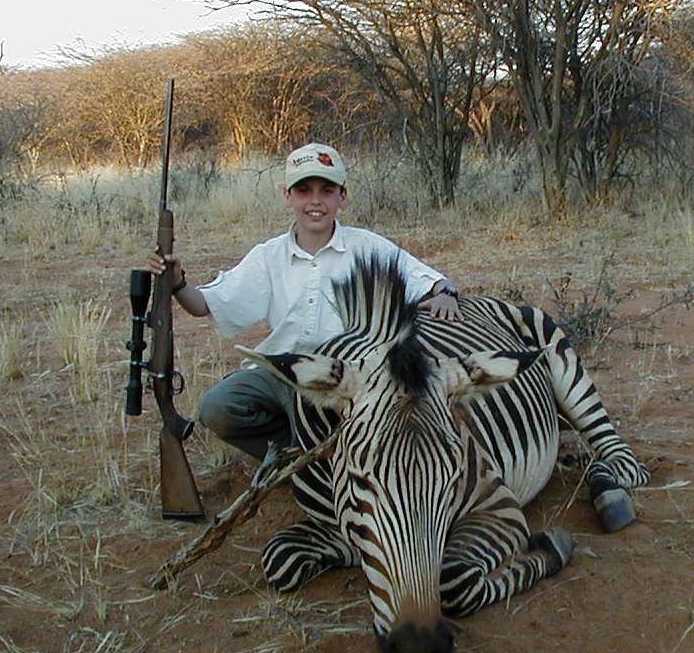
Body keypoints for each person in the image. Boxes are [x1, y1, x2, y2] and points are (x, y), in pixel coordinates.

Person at [149, 141, 462, 461]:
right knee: (218, 407)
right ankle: (308, 461)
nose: (315, 201)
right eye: (304, 190)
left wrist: (446, 293)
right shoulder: (268, 256)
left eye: (327, 191)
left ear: (343, 196)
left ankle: (344, 457)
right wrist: (177, 282)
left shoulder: (368, 247)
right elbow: (204, 304)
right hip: (284, 373)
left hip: (348, 379)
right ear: (288, 196)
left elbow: (430, 280)